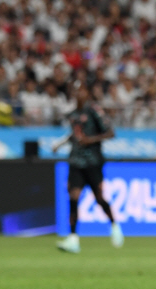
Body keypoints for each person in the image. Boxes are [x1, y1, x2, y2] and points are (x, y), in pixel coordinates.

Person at [52, 82, 123, 253]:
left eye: (82, 90)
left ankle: (114, 225)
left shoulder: (94, 110)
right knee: (74, 196)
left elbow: (111, 132)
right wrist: (60, 144)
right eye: (76, 90)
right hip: (76, 161)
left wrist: (89, 140)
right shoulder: (74, 114)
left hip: (93, 161)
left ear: (87, 93)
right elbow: (75, 134)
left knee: (99, 198)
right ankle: (73, 239)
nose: (79, 93)